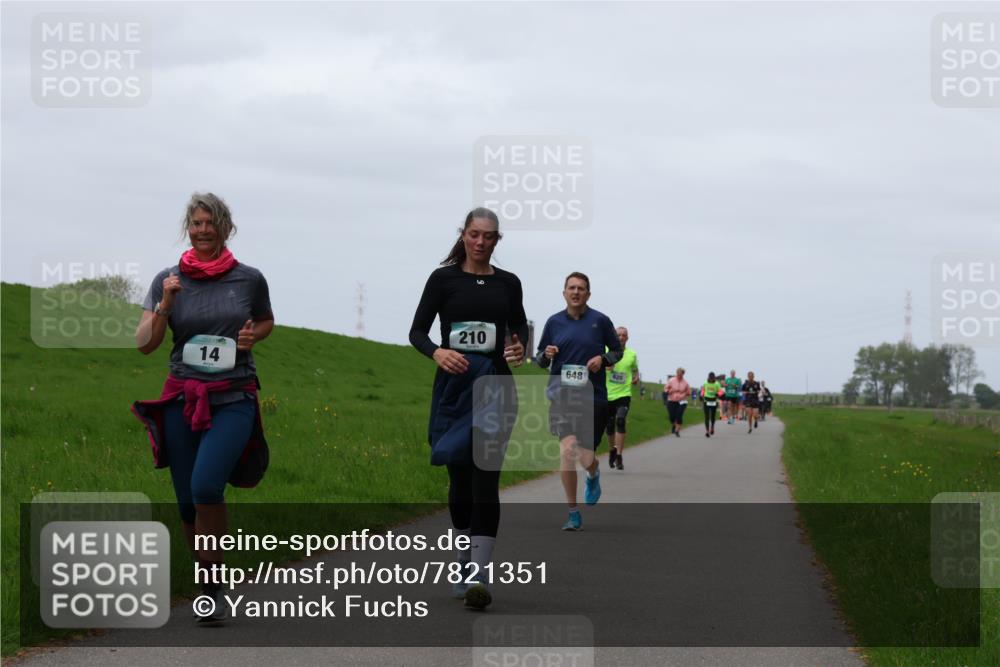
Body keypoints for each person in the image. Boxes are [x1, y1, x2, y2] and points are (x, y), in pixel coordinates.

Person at [132, 192, 274, 623]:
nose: (203, 230)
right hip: (181, 397)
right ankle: (207, 582)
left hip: (233, 396)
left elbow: (266, 319)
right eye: (195, 223)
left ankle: (213, 584)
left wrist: (254, 336)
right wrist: (165, 306)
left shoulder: (249, 279)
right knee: (186, 503)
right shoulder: (167, 279)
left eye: (210, 223)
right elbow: (144, 345)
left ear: (225, 227)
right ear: (188, 229)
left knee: (207, 487)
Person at [409, 207, 527, 610]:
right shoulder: (443, 280)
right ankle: (462, 559)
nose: (480, 242)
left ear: (497, 240)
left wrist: (518, 349)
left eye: (489, 236)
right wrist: (438, 352)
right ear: (463, 235)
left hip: (495, 387)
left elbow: (517, 330)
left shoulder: (509, 283)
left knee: (485, 479)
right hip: (455, 388)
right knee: (459, 481)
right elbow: (417, 332)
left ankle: (479, 574)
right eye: (474, 235)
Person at [536, 272, 621, 531]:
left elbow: (617, 351)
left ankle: (593, 473)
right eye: (571, 288)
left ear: (588, 294)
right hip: (561, 395)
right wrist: (546, 353)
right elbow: (539, 359)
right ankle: (573, 513)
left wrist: (603, 360)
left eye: (581, 288)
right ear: (564, 292)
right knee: (568, 449)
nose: (576, 292)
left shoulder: (601, 321)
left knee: (585, 457)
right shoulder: (553, 322)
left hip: (592, 397)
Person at [606, 327, 639, 470]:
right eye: (618, 335)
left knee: (620, 420)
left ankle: (619, 455)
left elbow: (635, 370)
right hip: (607, 394)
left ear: (627, 338)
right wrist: (606, 367)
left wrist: (636, 377)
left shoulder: (632, 354)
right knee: (609, 426)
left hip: (624, 394)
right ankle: (612, 450)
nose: (621, 337)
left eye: (623, 335)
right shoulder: (606, 350)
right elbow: (597, 365)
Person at [664, 368, 691, 437]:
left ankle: (677, 430)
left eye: (680, 374)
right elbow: (665, 389)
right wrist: (669, 391)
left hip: (682, 401)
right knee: (672, 417)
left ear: (683, 374)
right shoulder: (671, 380)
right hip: (671, 400)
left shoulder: (685, 383)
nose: (679, 376)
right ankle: (673, 424)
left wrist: (684, 394)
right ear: (676, 373)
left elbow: (688, 392)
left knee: (679, 415)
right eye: (678, 374)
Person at [700, 372, 724, 437]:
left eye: (712, 378)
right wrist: (701, 396)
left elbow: (721, 391)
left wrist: (718, 394)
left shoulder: (717, 384)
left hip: (713, 400)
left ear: (714, 378)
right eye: (710, 378)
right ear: (708, 377)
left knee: (713, 416)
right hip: (706, 400)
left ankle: (712, 427)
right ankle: (707, 431)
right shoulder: (705, 383)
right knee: (706, 416)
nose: (711, 379)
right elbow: (703, 390)